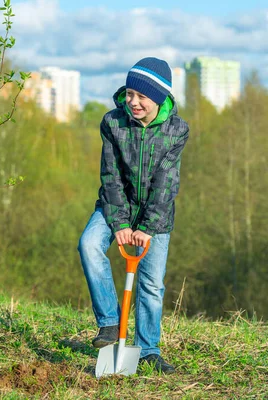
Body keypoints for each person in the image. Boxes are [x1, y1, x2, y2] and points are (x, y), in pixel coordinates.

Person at [78, 57, 189, 374]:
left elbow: (166, 183)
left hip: (156, 214)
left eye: (141, 96)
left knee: (151, 285)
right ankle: (111, 323)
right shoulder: (113, 122)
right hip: (115, 206)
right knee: (88, 244)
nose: (133, 102)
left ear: (159, 97)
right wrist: (121, 224)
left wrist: (147, 227)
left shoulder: (176, 130)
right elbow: (110, 176)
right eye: (129, 94)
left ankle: (149, 350)